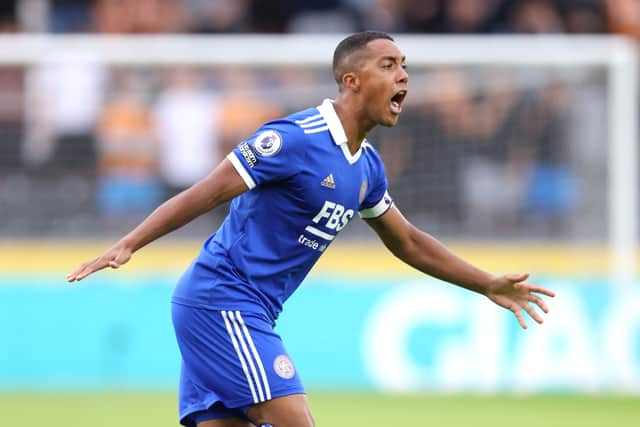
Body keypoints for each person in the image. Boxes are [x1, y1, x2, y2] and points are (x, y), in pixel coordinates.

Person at [67, 31, 555, 427]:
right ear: (352, 80)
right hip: (222, 302)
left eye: (404, 65)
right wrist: (130, 242)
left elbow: (406, 241)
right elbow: (209, 190)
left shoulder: (367, 167)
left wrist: (485, 283)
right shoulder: (293, 139)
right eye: (388, 65)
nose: (403, 75)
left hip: (246, 311)